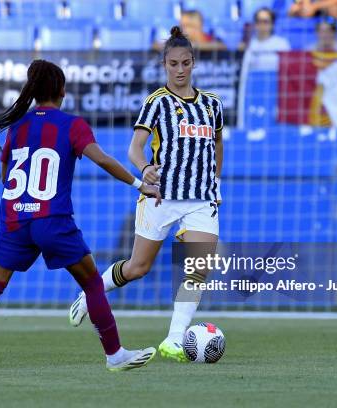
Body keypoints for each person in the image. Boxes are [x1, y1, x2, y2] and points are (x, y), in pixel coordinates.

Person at [0, 59, 160, 372]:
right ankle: (115, 355)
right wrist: (141, 184)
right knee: (91, 284)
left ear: (33, 92)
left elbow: (6, 175)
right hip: (52, 220)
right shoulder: (72, 125)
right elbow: (102, 160)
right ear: (62, 91)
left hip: (14, 219)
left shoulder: (17, 127)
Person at [69, 26, 224, 363]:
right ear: (164, 65)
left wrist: (215, 180)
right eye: (173, 64)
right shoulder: (156, 103)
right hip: (161, 195)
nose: (180, 70)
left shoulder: (212, 105)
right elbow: (135, 148)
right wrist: (145, 168)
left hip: (202, 199)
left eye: (185, 63)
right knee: (139, 267)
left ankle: (174, 340)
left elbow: (217, 144)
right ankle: (90, 292)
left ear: (193, 63)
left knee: (199, 266)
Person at [242, 7, 291, 71]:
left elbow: (287, 68)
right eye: (258, 21)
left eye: (265, 21)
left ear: (272, 24)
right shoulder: (249, 44)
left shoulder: (282, 44)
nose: (261, 24)